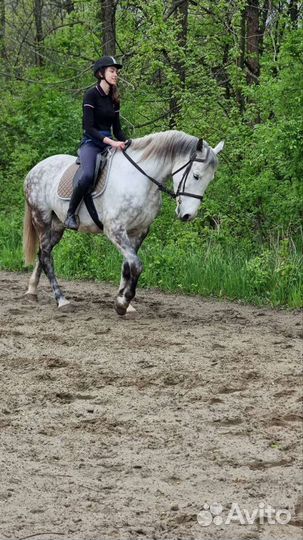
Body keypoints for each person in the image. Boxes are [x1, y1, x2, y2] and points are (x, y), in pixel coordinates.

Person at [64, 56, 127, 230]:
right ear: (101, 73)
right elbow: (89, 128)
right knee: (87, 175)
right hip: (91, 143)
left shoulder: (114, 99)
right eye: (112, 71)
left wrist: (128, 142)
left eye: (117, 72)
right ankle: (71, 214)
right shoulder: (91, 95)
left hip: (109, 143)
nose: (116, 75)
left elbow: (118, 130)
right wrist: (112, 142)